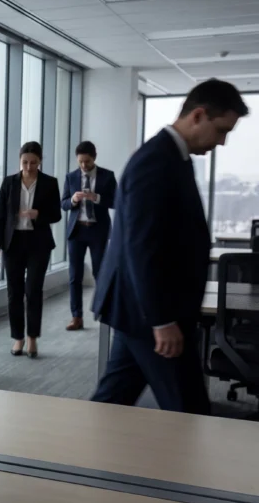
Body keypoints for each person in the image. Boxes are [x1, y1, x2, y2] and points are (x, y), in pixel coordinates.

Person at [91, 79, 249, 414]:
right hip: (152, 313)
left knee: (111, 403)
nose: (221, 141)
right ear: (198, 115)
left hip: (139, 310)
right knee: (189, 412)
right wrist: (162, 321)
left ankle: (71, 458)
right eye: (221, 130)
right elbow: (141, 248)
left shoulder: (173, 157)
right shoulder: (155, 161)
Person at [0, 141, 62, 358]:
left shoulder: (50, 183)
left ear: (40, 161)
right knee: (14, 293)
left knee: (33, 290)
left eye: (33, 162)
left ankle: (32, 338)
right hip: (13, 243)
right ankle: (18, 338)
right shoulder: (9, 183)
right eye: (25, 162)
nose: (29, 167)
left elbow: (56, 215)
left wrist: (38, 214)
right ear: (19, 161)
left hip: (38, 243)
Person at [61, 141, 117, 331]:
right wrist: (73, 200)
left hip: (97, 230)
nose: (84, 165)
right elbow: (64, 204)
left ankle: (103, 312)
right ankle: (76, 317)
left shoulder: (107, 176)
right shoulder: (71, 177)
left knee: (100, 273)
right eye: (80, 162)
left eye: (87, 161)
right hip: (77, 231)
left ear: (94, 157)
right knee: (74, 276)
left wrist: (97, 198)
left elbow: (117, 201)